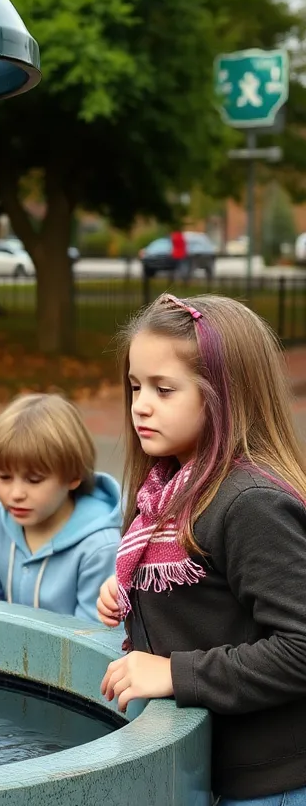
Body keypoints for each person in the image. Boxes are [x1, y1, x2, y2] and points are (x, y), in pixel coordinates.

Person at [97, 293, 306, 804]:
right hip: (208, 767)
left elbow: (301, 648)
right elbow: (209, 594)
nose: (140, 405)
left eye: (164, 390)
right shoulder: (164, 491)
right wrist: (129, 588)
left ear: (225, 397)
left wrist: (173, 672)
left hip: (268, 783)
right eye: (135, 386)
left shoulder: (249, 504)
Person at [0, 393, 122, 622]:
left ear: (73, 476)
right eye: (4, 477)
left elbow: (90, 638)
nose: (16, 494)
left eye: (34, 480)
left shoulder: (100, 547)